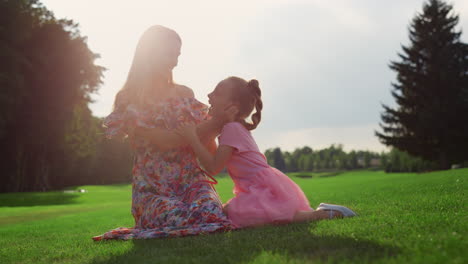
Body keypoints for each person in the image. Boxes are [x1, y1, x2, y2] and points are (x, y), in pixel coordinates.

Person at [92, 25, 233, 240]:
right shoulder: (130, 99)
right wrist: (218, 121)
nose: (175, 61)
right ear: (150, 54)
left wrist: (219, 124)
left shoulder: (185, 94)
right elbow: (166, 142)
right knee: (175, 217)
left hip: (191, 183)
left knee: (210, 212)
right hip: (153, 190)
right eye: (169, 54)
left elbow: (206, 146)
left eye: (177, 54)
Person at [175, 76, 357, 228]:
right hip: (261, 186)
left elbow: (213, 167)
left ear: (233, 105)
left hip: (262, 188)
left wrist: (192, 138)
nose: (209, 95)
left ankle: (323, 215)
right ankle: (317, 213)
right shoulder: (234, 128)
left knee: (256, 217)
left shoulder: (231, 129)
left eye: (217, 93)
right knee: (231, 213)